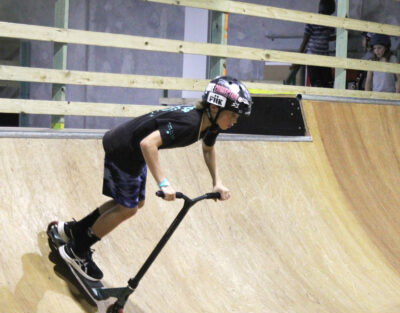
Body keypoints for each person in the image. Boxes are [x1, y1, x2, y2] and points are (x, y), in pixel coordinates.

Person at [55, 76, 252, 281]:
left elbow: (208, 149)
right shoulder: (190, 122)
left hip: (132, 149)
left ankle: (73, 231)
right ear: (214, 107)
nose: (234, 121)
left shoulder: (211, 125)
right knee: (128, 208)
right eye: (232, 115)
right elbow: (148, 144)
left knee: (134, 203)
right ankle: (76, 250)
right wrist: (163, 183)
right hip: (125, 148)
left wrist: (216, 182)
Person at [293, 0, 336, 88]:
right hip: (313, 58)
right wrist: (296, 60)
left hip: (322, 58)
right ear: (331, 10)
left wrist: (341, 36)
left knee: (325, 83)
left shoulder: (329, 23)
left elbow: (326, 37)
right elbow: (305, 41)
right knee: (322, 83)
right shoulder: (314, 21)